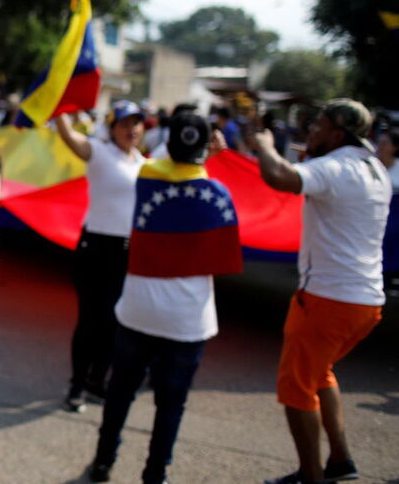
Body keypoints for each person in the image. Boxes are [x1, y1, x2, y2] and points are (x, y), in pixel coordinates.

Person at [87, 114, 239, 484]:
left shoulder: (147, 176)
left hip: (138, 310)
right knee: (171, 405)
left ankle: (104, 461)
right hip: (188, 320)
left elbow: (165, 163)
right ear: (205, 149)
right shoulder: (219, 195)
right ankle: (156, 474)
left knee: (120, 394)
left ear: (167, 144)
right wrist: (210, 157)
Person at [249, 99, 389, 484]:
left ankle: (312, 477)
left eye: (317, 126)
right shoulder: (373, 167)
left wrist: (264, 146)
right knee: (319, 374)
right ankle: (341, 461)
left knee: (296, 390)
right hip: (365, 302)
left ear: (337, 134)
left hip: (327, 300)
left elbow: (280, 178)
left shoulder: (336, 168)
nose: (310, 131)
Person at [56, 100, 146, 410]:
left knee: (113, 321)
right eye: (124, 123)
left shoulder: (143, 162)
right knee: (90, 320)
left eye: (137, 122)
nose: (132, 129)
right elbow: (69, 137)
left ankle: (98, 381)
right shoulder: (100, 152)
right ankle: (77, 385)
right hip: (95, 248)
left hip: (126, 250)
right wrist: (62, 106)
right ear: (112, 127)